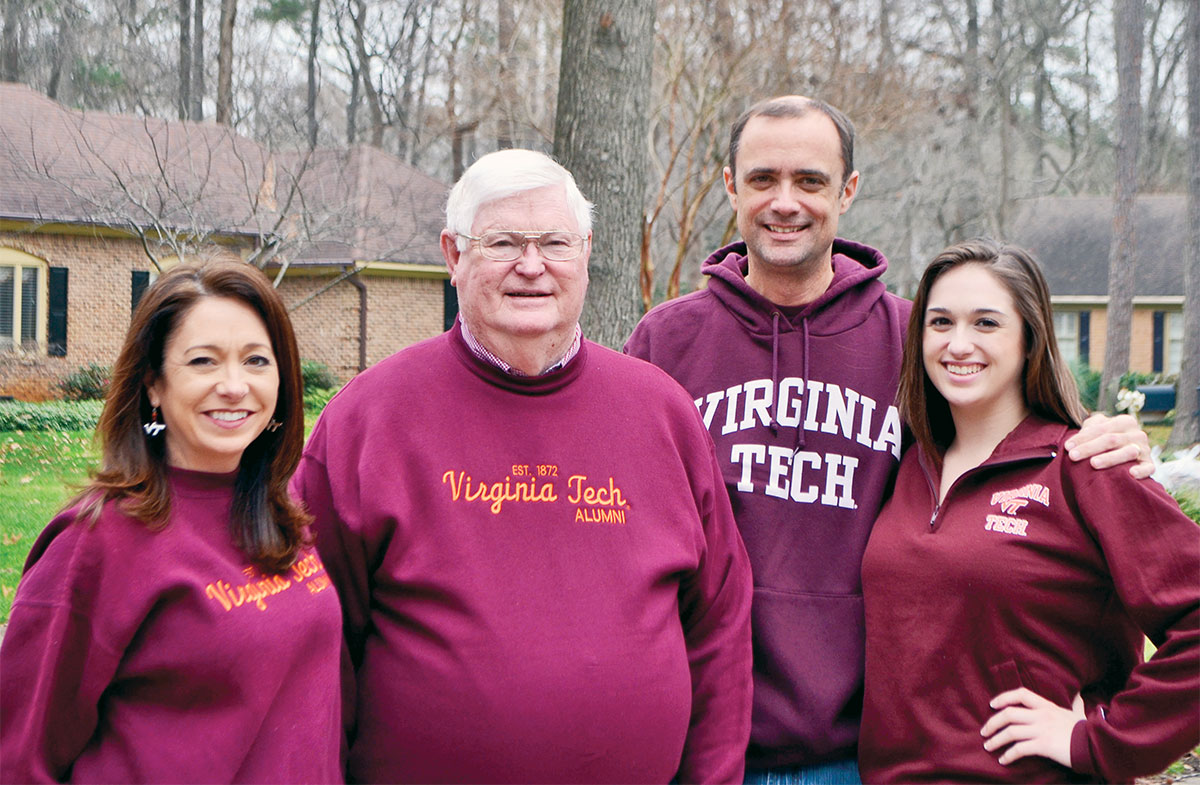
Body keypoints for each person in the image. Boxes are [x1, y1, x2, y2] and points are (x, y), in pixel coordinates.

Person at [624, 95, 1153, 783]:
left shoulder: (915, 340)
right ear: (731, 186)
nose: (785, 201)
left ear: (847, 190)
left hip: (870, 753)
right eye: (762, 179)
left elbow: (1019, 447)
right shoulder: (665, 341)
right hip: (709, 744)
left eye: (810, 181)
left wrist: (1103, 442)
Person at [291, 148, 754, 784]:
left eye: (555, 243)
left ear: (586, 252)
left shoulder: (661, 414)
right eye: (503, 241)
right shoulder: (368, 421)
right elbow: (315, 645)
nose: (532, 267)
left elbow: (720, 624)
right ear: (454, 255)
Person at [858, 238, 1199, 782]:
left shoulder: (1086, 466)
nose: (958, 343)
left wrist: (1104, 738)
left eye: (987, 323)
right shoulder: (902, 465)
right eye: (940, 322)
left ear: (1029, 339)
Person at [0, 262, 343, 784]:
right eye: (203, 361)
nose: (234, 386)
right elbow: (19, 755)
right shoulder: (97, 541)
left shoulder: (283, 516)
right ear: (153, 385)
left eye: (256, 360)